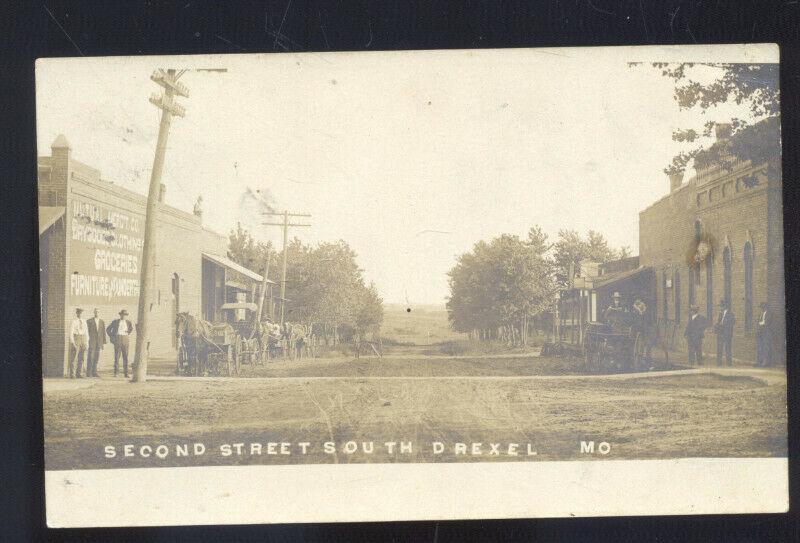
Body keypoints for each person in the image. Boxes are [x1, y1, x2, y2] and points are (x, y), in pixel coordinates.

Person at [107, 309, 134, 377]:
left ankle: (126, 373)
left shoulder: (128, 322)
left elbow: (131, 328)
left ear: (126, 316)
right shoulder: (115, 322)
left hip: (125, 339)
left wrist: (128, 332)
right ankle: (116, 373)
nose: (123, 316)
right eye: (122, 315)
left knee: (125, 357)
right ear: (120, 315)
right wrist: (112, 337)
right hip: (118, 339)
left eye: (125, 315)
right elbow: (108, 329)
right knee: (117, 357)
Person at [714, 299, 735, 367]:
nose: (720, 308)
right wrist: (717, 326)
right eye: (720, 306)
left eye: (721, 306)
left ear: (725, 306)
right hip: (720, 334)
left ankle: (729, 363)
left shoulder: (730, 314)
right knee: (719, 348)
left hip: (727, 334)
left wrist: (722, 325)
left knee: (728, 348)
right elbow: (718, 322)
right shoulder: (720, 314)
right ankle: (719, 363)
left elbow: (731, 323)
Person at [68, 308, 88, 378]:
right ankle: (72, 374)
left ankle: (79, 373)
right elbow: (71, 332)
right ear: (77, 313)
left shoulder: (84, 321)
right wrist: (72, 342)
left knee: (82, 357)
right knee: (74, 357)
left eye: (81, 313)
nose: (80, 314)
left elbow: (86, 332)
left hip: (83, 338)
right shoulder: (74, 321)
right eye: (79, 313)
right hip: (76, 338)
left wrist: (87, 342)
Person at [86, 308, 106, 378]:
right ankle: (89, 373)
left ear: (100, 313)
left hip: (99, 342)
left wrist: (103, 343)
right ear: (94, 313)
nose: (97, 313)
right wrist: (87, 341)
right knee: (91, 357)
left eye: (98, 312)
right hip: (91, 341)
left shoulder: (102, 322)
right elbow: (86, 332)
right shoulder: (89, 321)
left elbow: (103, 333)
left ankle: (94, 372)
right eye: (96, 312)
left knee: (96, 357)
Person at [756, 302, 772, 367]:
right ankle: (760, 363)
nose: (761, 309)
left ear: (765, 307)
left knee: (766, 348)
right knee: (760, 348)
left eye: (762, 307)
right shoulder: (762, 314)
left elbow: (766, 323)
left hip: (766, 333)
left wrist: (759, 323)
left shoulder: (768, 314)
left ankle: (766, 363)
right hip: (761, 333)